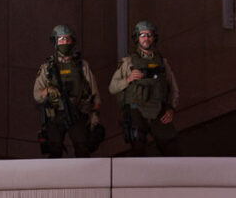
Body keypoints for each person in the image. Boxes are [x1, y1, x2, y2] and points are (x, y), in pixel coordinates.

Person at [109, 19, 180, 156]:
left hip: (158, 110)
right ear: (137, 38)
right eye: (142, 35)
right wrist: (128, 79)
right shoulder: (128, 62)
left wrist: (171, 108)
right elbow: (112, 88)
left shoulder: (162, 61)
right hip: (136, 111)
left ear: (154, 38)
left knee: (172, 150)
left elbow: (174, 88)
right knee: (138, 149)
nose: (146, 38)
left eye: (149, 35)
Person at [32, 24, 102, 157]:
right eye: (61, 39)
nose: (64, 42)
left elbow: (94, 93)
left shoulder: (82, 65)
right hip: (55, 114)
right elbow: (37, 94)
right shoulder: (47, 67)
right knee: (54, 149)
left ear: (72, 41)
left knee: (82, 148)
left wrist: (94, 115)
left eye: (67, 39)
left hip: (77, 112)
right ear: (55, 42)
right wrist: (47, 90)